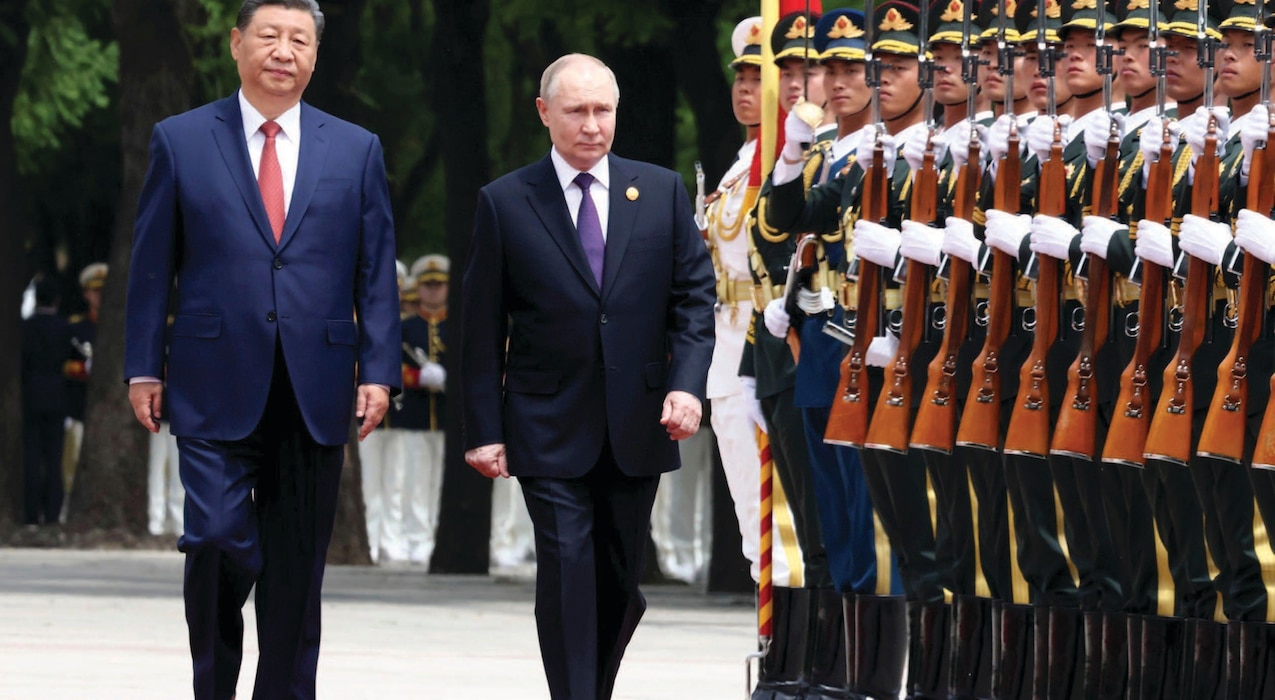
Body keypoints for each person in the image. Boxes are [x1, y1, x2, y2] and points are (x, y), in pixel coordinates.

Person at [122, 0, 400, 696]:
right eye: (269, 36)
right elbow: (153, 263)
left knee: (298, 567)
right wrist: (139, 367)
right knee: (216, 538)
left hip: (318, 380)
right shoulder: (181, 139)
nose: (283, 51)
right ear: (237, 43)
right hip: (210, 376)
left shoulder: (355, 147)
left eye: (299, 39)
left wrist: (379, 372)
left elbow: (376, 269)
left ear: (314, 55)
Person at [460, 53, 715, 700]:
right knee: (567, 570)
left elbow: (692, 299)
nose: (592, 125)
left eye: (603, 110)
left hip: (638, 420)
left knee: (619, 585)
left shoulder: (659, 192)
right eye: (576, 111)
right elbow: (480, 327)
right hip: (545, 423)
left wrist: (686, 384)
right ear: (545, 113)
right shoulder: (505, 202)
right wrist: (482, 429)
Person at [402, 253, 449, 566]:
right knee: (416, 481)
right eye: (427, 285)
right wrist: (418, 377)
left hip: (448, 416)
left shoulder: (457, 325)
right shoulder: (406, 328)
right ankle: (417, 538)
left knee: (442, 482)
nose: (432, 291)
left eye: (438, 285)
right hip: (415, 415)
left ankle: (435, 534)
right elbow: (393, 366)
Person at [22, 276, 70, 527]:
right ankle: (52, 514)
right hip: (57, 396)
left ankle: (31, 514)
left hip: (30, 396)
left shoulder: (25, 327)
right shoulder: (64, 327)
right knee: (54, 459)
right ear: (57, 300)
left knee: (31, 457)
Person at [63, 261, 107, 517]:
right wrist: (83, 369)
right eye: (94, 290)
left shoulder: (122, 324)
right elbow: (63, 365)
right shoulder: (76, 327)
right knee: (74, 465)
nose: (99, 295)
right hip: (80, 406)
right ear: (86, 293)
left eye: (103, 289)